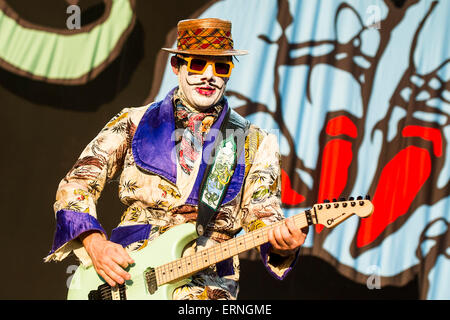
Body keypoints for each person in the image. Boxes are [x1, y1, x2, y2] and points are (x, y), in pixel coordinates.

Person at [45, 18, 308, 300]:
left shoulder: (256, 141)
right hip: (125, 281)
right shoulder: (133, 121)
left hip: (207, 287)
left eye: (220, 66)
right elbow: (75, 185)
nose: (209, 76)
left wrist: (285, 244)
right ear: (176, 66)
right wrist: (96, 245)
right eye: (198, 64)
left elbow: (264, 216)